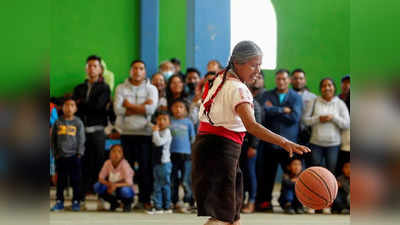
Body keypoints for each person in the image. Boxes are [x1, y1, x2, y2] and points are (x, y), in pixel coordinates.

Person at [192, 41, 310, 225]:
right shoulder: (239, 88)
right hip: (220, 150)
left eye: (260, 65)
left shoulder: (218, 78)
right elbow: (252, 126)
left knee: (232, 215)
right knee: (222, 218)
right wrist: (284, 142)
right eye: (254, 65)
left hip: (210, 148)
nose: (258, 70)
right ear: (238, 63)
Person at [255, 69, 303, 212]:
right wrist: (283, 110)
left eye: (284, 79)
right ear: (275, 80)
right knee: (267, 176)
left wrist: (274, 110)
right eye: (278, 79)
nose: (281, 81)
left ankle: (293, 204)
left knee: (292, 176)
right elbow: (264, 113)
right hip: (270, 143)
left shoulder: (295, 97)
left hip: (289, 144)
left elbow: (295, 117)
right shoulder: (267, 95)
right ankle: (265, 203)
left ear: (289, 80)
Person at [113, 59, 158, 210]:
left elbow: (151, 110)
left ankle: (144, 199)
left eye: (141, 68)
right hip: (126, 133)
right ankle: (127, 201)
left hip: (145, 133)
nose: (137, 71)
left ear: (144, 72)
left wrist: (129, 106)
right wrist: (143, 107)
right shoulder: (121, 88)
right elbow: (117, 110)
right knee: (127, 168)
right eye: (135, 68)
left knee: (145, 168)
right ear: (130, 71)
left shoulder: (151, 89)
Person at [73, 55, 111, 205]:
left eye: (95, 66)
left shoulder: (104, 88)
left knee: (99, 163)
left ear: (100, 69)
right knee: (82, 162)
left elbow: (99, 107)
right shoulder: (79, 88)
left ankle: (101, 195)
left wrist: (82, 103)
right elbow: (76, 109)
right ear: (85, 69)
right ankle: (80, 197)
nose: (91, 68)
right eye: (89, 66)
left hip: (97, 130)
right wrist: (84, 105)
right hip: (81, 131)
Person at [302, 77, 350, 174]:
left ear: (334, 88)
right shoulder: (314, 101)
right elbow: (305, 120)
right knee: (315, 173)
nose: (327, 88)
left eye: (329, 85)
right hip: (315, 144)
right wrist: (318, 119)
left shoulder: (340, 103)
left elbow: (346, 124)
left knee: (331, 173)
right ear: (320, 89)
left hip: (334, 145)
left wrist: (333, 118)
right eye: (324, 86)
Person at [50, 98, 85, 211]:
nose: (69, 108)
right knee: (61, 181)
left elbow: (81, 139)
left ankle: (76, 201)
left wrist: (79, 153)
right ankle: (59, 201)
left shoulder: (78, 122)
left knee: (76, 180)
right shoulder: (58, 122)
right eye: (66, 105)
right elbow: (53, 139)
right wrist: (55, 153)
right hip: (61, 156)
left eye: (72, 105)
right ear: (62, 108)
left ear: (75, 109)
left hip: (74, 156)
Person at [239, 77, 262, 214]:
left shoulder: (255, 105)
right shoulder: (239, 102)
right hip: (238, 145)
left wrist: (254, 146)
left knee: (250, 174)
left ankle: (251, 201)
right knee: (239, 175)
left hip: (250, 147)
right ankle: (240, 200)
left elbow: (257, 127)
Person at [169, 99, 196, 213]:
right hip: (172, 154)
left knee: (186, 180)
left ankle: (188, 201)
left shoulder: (188, 122)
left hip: (186, 155)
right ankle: (174, 201)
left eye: (181, 107)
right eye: (176, 107)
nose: (178, 109)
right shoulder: (169, 121)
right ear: (171, 109)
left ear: (185, 110)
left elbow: (192, 138)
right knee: (174, 179)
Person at [94, 144, 135, 212]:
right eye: (114, 151)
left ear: (122, 154)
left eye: (119, 152)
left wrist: (115, 185)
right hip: (111, 187)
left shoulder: (125, 164)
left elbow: (129, 183)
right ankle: (114, 203)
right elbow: (100, 178)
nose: (116, 154)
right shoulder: (107, 163)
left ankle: (127, 203)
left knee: (125, 191)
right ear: (110, 153)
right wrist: (108, 184)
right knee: (97, 186)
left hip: (122, 187)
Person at [147, 111, 173, 214]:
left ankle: (165, 206)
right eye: (159, 119)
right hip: (157, 162)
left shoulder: (167, 132)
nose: (161, 121)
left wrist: (155, 132)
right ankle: (159, 206)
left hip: (164, 163)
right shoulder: (157, 131)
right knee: (157, 184)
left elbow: (159, 142)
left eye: (164, 119)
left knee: (164, 185)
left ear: (169, 123)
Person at [290, 69, 317, 147]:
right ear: (291, 80)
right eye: (295, 78)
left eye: (301, 78)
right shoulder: (286, 95)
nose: (298, 81)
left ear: (304, 80)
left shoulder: (313, 97)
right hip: (290, 133)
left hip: (308, 133)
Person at [336, 75, 350, 176]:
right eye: (344, 82)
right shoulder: (336, 99)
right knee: (339, 169)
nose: (347, 85)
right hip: (337, 141)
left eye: (349, 83)